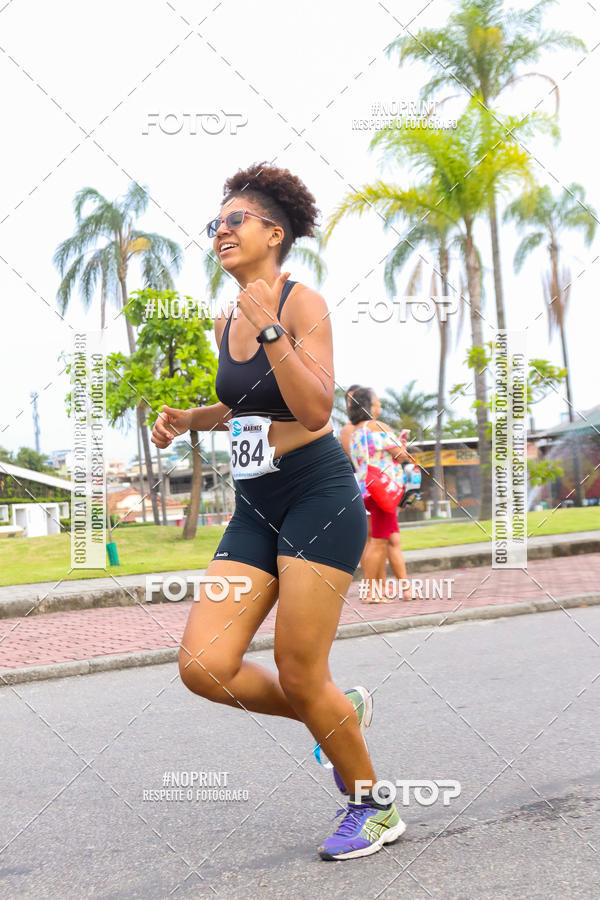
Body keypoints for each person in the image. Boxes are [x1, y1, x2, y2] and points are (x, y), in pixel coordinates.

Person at [151, 163, 406, 860]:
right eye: (217, 223)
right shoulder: (222, 315)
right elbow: (246, 406)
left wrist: (272, 331)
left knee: (299, 669)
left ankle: (372, 807)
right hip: (255, 508)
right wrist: (189, 419)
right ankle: (336, 715)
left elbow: (317, 406)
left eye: (236, 220)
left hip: (319, 497)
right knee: (204, 665)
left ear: (273, 231)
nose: (222, 231)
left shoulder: (302, 304)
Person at [348, 387, 414, 602]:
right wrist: (403, 444)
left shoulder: (355, 432)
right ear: (369, 406)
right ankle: (370, 592)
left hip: (367, 490)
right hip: (383, 491)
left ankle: (403, 589)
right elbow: (401, 455)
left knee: (388, 538)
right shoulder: (379, 427)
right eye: (377, 402)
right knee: (378, 542)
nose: (380, 405)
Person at [339, 385, 370, 573]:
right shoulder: (349, 429)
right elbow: (356, 459)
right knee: (369, 537)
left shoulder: (368, 428)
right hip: (360, 482)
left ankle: (379, 583)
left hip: (370, 482)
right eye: (350, 400)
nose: (353, 404)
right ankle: (371, 584)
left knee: (382, 538)